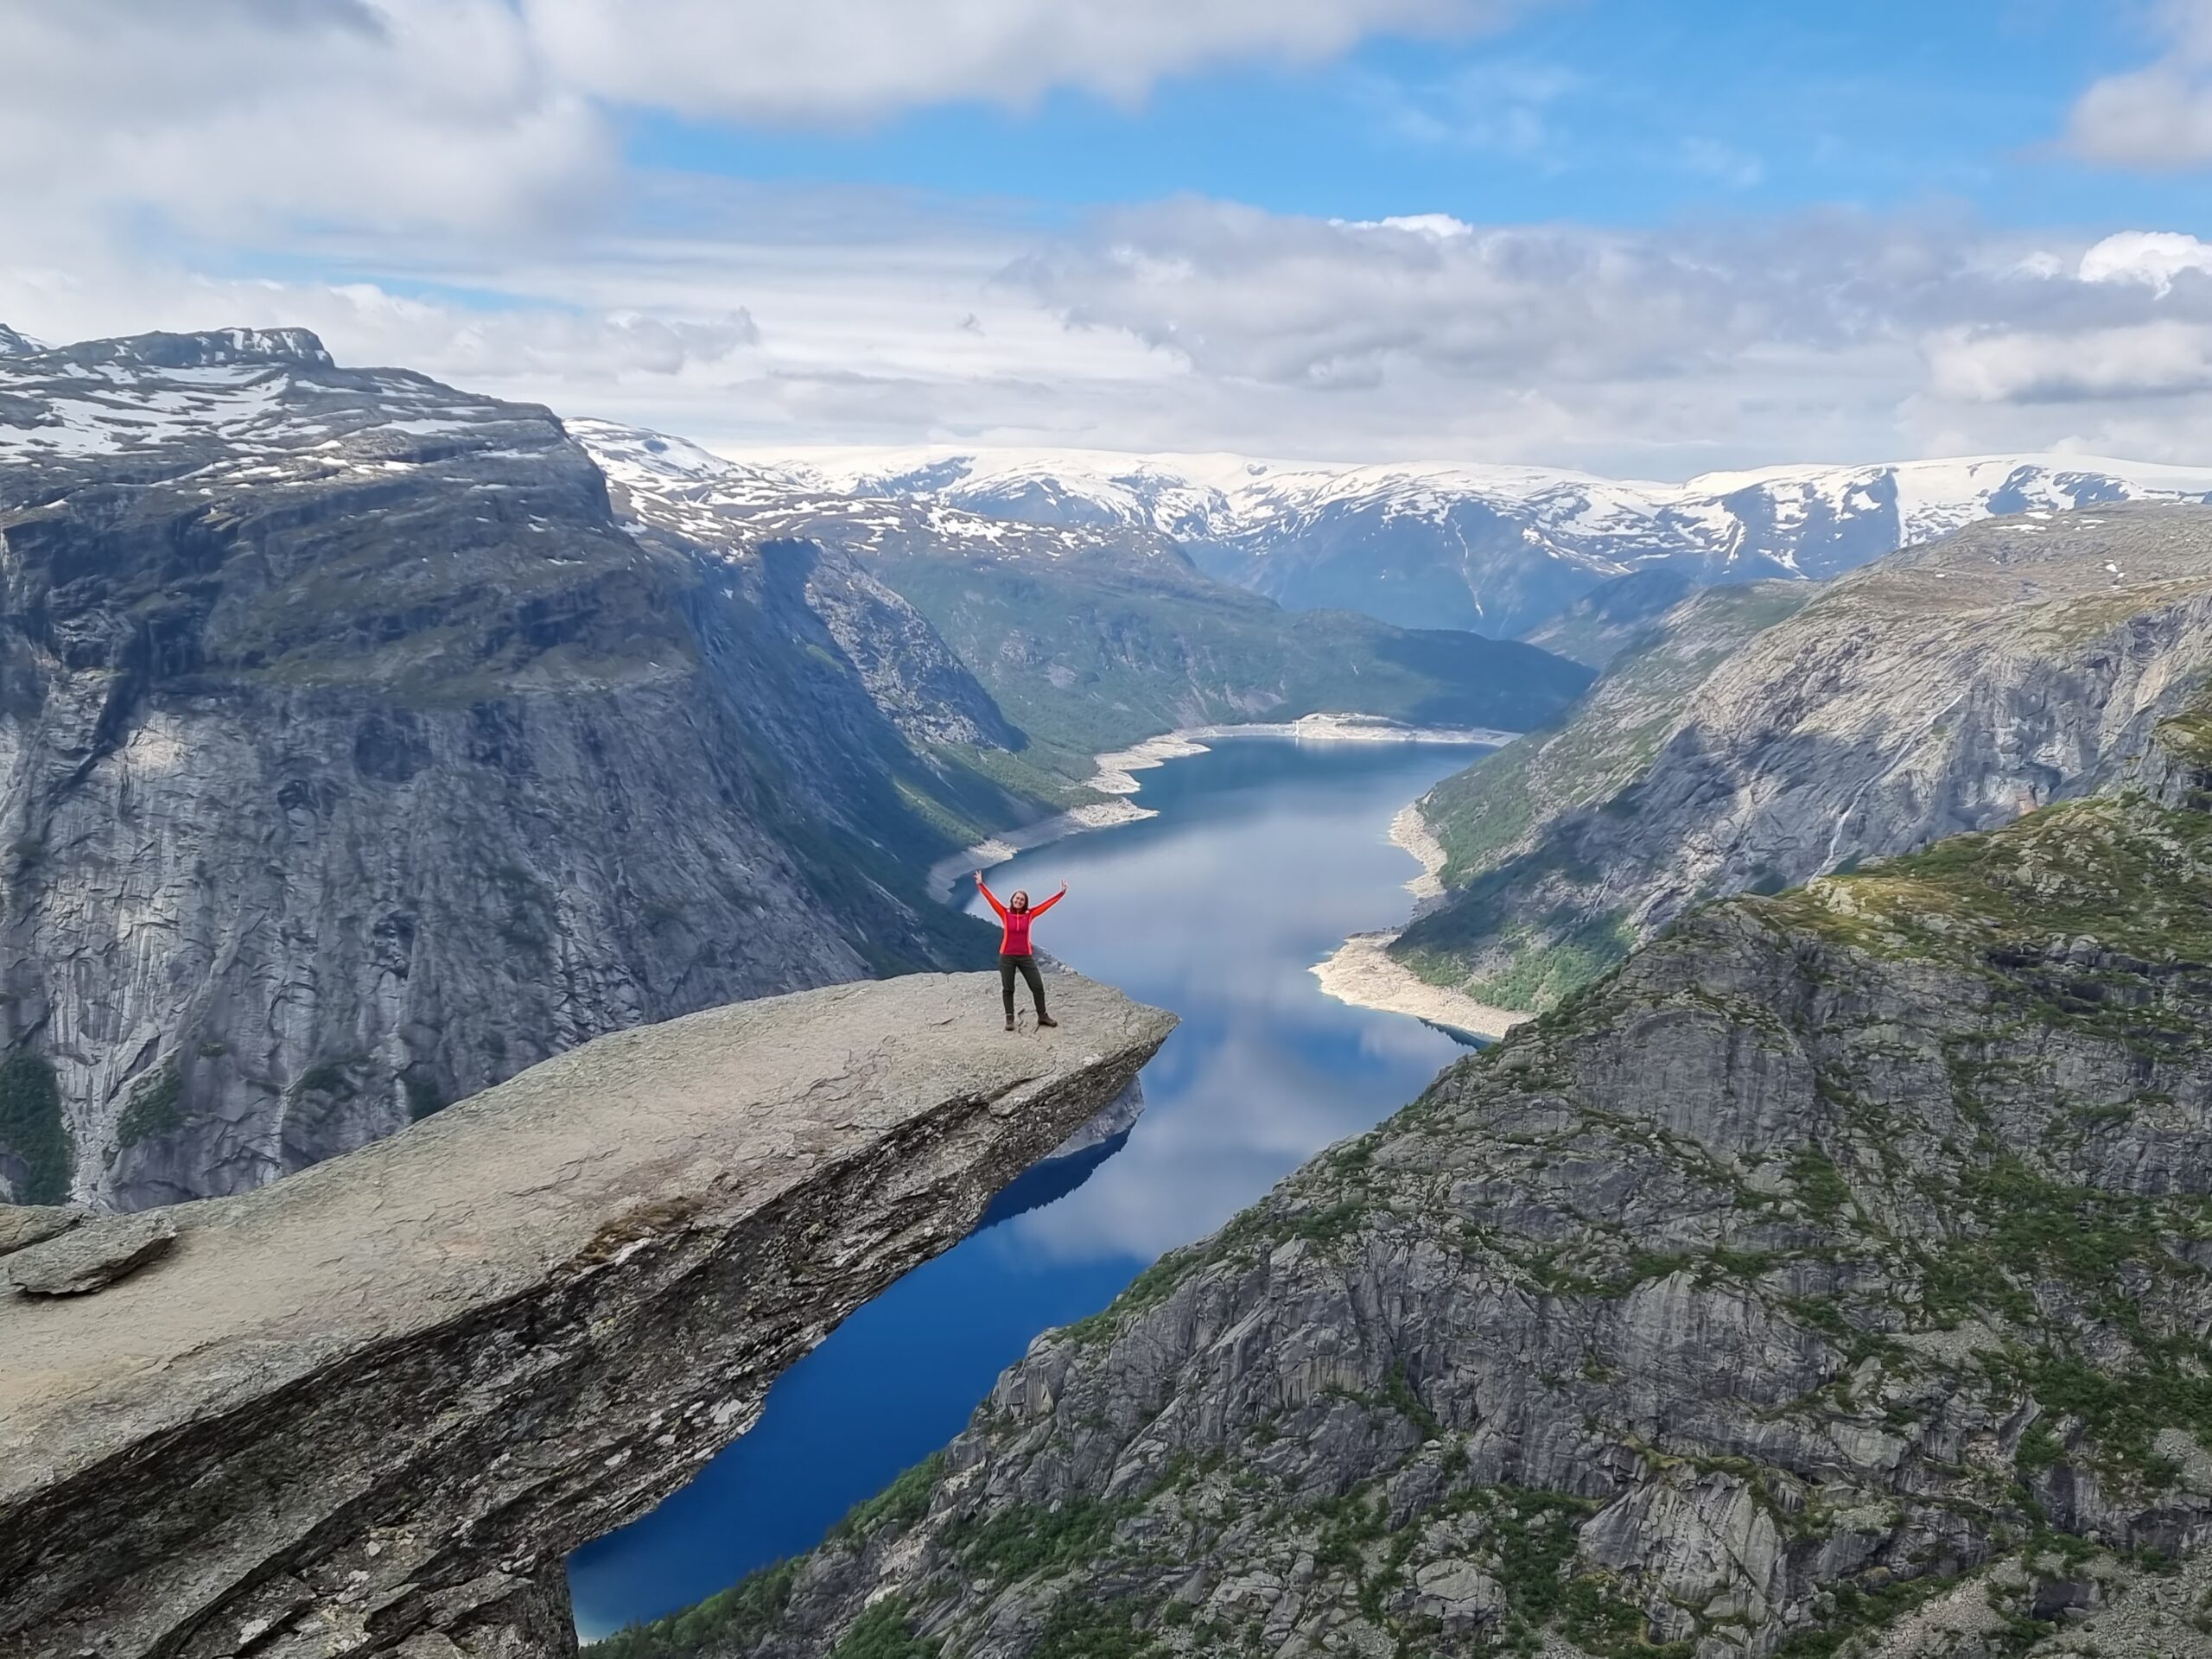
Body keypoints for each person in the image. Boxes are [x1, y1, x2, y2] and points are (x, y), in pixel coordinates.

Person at [976, 871, 1068, 1031]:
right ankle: (1009, 1019)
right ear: (1012, 900)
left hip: (1025, 956)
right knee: (1008, 988)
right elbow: (991, 899)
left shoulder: (1030, 914)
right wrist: (980, 884)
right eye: (1017, 898)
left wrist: (1061, 893)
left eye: (1022, 899)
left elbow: (1046, 905)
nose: (1019, 901)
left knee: (1037, 986)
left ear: (1025, 902)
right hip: (1007, 956)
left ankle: (1042, 1016)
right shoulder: (1004, 913)